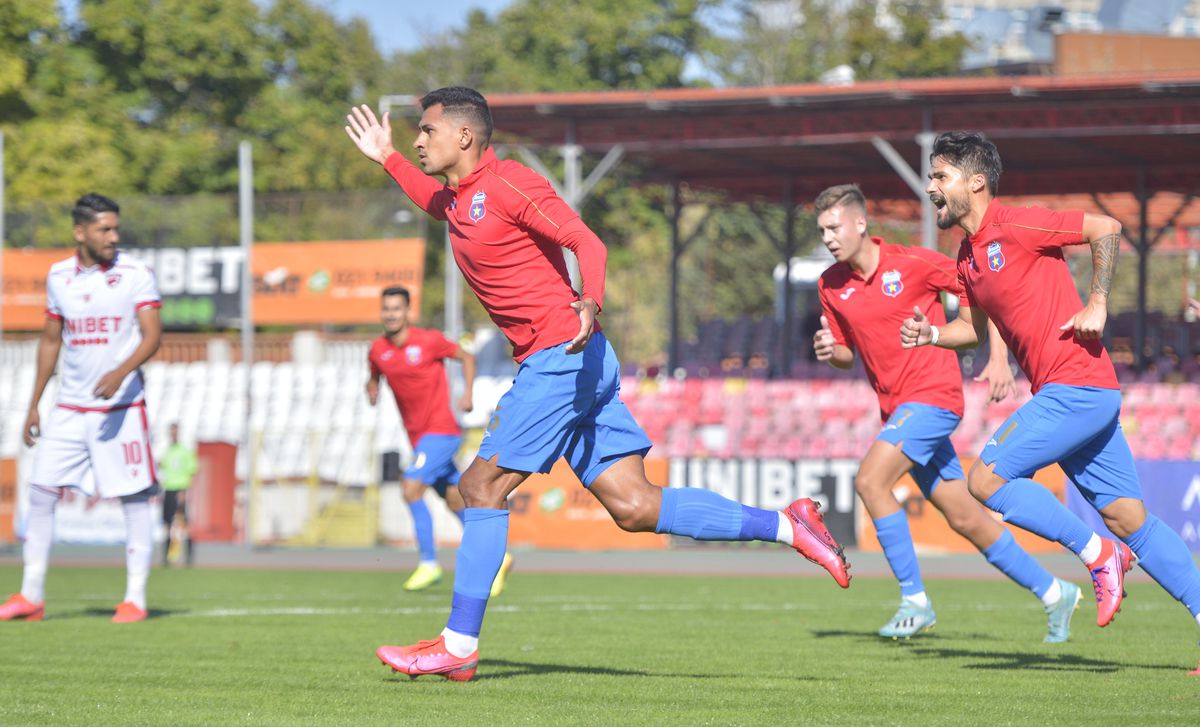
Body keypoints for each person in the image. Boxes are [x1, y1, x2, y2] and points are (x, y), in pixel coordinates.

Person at [345, 87, 850, 682]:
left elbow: (587, 242)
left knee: (480, 487)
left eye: (426, 130)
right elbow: (436, 202)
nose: (417, 139)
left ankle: (457, 647)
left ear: (464, 136)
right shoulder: (460, 198)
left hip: (562, 354)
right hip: (578, 361)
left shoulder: (510, 183)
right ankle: (790, 525)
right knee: (636, 506)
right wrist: (388, 159)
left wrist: (592, 299)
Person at [900, 132, 1200, 663]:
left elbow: (1106, 227)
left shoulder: (1018, 224)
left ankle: (1097, 555)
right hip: (1083, 393)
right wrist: (931, 336)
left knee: (985, 479)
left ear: (977, 182)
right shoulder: (967, 256)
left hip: (1076, 388)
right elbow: (971, 327)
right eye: (931, 176)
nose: (930, 188)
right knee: (1131, 519)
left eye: (940, 176)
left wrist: (1098, 302)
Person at [813, 183, 1081, 641]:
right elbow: (843, 353)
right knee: (965, 518)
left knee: (870, 481)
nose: (829, 237)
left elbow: (986, 291)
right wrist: (829, 350)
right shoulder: (830, 285)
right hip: (897, 409)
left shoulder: (913, 263)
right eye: (822, 230)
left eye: (835, 226)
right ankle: (1055, 591)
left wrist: (999, 358)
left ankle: (914, 600)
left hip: (934, 397)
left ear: (860, 223)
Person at [0, 193, 162, 624]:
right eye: (104, 229)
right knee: (40, 490)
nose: (113, 236)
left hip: (121, 408)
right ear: (80, 232)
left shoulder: (135, 273)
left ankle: (135, 599)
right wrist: (33, 404)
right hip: (69, 406)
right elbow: (51, 341)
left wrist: (120, 372)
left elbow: (152, 336)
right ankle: (30, 595)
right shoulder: (58, 277)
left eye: (115, 229)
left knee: (132, 496)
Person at [367, 285, 512, 596]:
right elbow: (375, 373)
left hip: (442, 432)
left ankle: (429, 563)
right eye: (386, 309)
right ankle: (498, 559)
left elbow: (467, 356)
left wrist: (468, 393)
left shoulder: (428, 341)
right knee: (456, 499)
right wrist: (372, 388)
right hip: (418, 438)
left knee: (410, 487)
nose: (391, 314)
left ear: (408, 312)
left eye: (396, 308)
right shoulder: (378, 349)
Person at [158, 422, 198, 567]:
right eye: (171, 432)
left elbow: (192, 470)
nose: (172, 434)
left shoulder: (184, 451)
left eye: (174, 431)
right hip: (168, 490)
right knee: (167, 525)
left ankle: (189, 559)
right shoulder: (168, 451)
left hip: (180, 490)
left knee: (184, 525)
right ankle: (167, 558)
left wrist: (184, 490)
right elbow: (163, 467)